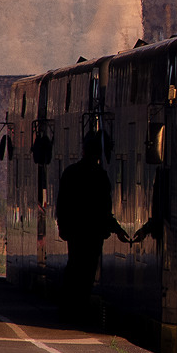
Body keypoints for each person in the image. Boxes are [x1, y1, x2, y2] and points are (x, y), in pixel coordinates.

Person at [55, 130, 129, 321]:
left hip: (75, 232)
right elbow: (104, 210)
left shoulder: (70, 173)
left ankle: (67, 308)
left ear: (83, 151)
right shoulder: (100, 177)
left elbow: (62, 204)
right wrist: (117, 229)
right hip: (94, 233)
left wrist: (63, 227)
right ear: (98, 154)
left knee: (74, 268)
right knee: (87, 271)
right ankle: (80, 309)